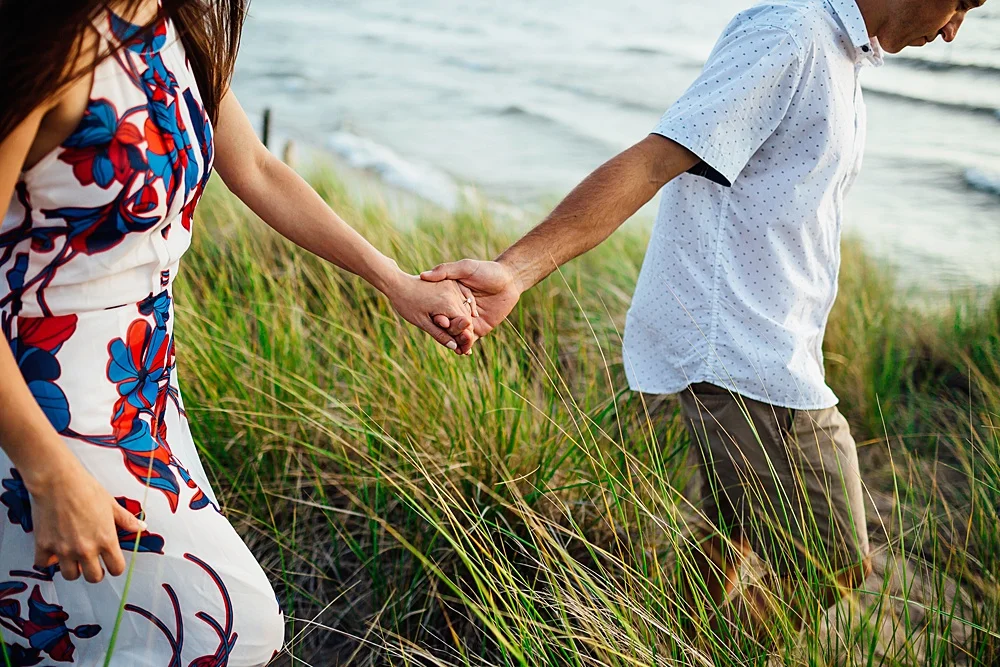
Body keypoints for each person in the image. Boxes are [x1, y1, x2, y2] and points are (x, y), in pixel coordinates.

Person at [423, 0, 987, 651]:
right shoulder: (792, 35)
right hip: (749, 360)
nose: (953, 30)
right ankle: (710, 654)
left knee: (726, 533)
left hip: (765, 344)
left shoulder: (839, 51)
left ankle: (658, 645)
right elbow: (655, 160)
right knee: (833, 561)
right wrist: (517, 270)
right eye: (960, 3)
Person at [0, 0, 476, 664]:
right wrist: (48, 471)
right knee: (231, 626)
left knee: (105, 633)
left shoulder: (174, 28)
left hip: (145, 382)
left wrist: (393, 279)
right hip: (46, 398)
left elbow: (256, 168)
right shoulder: (45, 45)